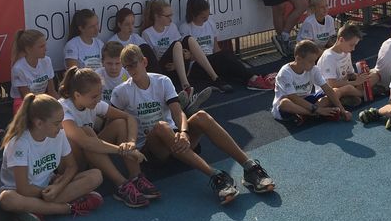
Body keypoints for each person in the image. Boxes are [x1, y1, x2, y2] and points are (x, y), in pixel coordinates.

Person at [110, 46, 274, 204]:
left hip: (176, 139)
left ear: (144, 62)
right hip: (154, 150)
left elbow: (177, 112)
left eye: (133, 64)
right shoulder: (121, 92)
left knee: (202, 116)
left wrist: (183, 132)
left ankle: (250, 167)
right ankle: (216, 176)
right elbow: (116, 123)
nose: (131, 70)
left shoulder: (162, 81)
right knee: (161, 126)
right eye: (127, 67)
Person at [0, 94, 105, 221]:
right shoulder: (19, 143)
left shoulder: (59, 134)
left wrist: (58, 186)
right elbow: (23, 189)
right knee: (6, 199)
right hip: (22, 193)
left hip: (49, 187)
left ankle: (36, 210)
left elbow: (72, 167)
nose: (61, 127)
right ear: (39, 123)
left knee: (96, 175)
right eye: (56, 123)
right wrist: (49, 191)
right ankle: (67, 208)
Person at [57, 67, 150, 208]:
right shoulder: (63, 109)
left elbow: (128, 117)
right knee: (87, 132)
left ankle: (136, 177)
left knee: (120, 123)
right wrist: (123, 150)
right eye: (94, 96)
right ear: (77, 95)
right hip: (70, 166)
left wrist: (131, 143)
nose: (99, 99)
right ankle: (121, 184)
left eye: (100, 94)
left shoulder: (93, 103)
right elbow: (86, 143)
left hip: (89, 154)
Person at [180, 0, 249, 93]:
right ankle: (252, 77)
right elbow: (185, 57)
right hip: (196, 64)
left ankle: (252, 77)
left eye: (208, 15)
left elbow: (216, 48)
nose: (206, 19)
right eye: (203, 17)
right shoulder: (185, 28)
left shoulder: (210, 23)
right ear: (194, 15)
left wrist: (222, 58)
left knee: (227, 56)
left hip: (212, 59)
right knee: (225, 56)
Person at [273, 41, 348, 125]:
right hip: (290, 104)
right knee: (284, 103)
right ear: (298, 59)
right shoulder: (285, 73)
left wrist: (342, 110)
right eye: (310, 61)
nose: (313, 64)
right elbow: (293, 97)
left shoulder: (313, 69)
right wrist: (318, 110)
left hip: (307, 101)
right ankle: (312, 113)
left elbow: (327, 89)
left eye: (314, 61)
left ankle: (304, 114)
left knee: (335, 91)